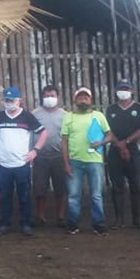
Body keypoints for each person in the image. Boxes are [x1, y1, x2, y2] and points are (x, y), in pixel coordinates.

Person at [0, 87, 48, 236]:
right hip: (4, 164)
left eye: (12, 100)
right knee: (4, 196)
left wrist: (35, 150)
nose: (9, 103)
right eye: (7, 100)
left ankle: (25, 224)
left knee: (24, 196)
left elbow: (43, 133)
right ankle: (4, 224)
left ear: (19, 101)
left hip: (22, 164)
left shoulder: (27, 117)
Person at [61, 87, 112, 236]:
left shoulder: (99, 116)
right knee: (73, 195)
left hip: (94, 161)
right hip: (74, 161)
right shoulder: (68, 117)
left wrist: (101, 142)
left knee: (96, 194)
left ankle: (98, 225)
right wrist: (66, 162)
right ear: (75, 100)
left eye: (86, 98)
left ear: (91, 100)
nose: (83, 100)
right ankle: (73, 224)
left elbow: (109, 135)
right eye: (80, 98)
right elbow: (64, 141)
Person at [105, 79, 140, 231]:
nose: (123, 91)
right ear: (116, 91)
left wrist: (126, 142)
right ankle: (119, 220)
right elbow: (108, 130)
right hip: (114, 151)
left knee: (135, 186)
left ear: (131, 90)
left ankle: (137, 219)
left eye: (126, 88)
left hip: (133, 150)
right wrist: (119, 144)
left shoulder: (137, 108)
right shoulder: (111, 109)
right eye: (120, 88)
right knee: (117, 186)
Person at [31, 85, 68, 226]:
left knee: (61, 188)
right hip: (40, 156)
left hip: (59, 156)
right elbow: (30, 134)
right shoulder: (35, 114)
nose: (49, 98)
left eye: (52, 95)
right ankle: (40, 216)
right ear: (42, 97)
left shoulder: (64, 115)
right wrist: (32, 152)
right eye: (46, 96)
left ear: (58, 97)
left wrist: (67, 157)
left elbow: (67, 137)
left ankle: (60, 217)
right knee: (40, 188)